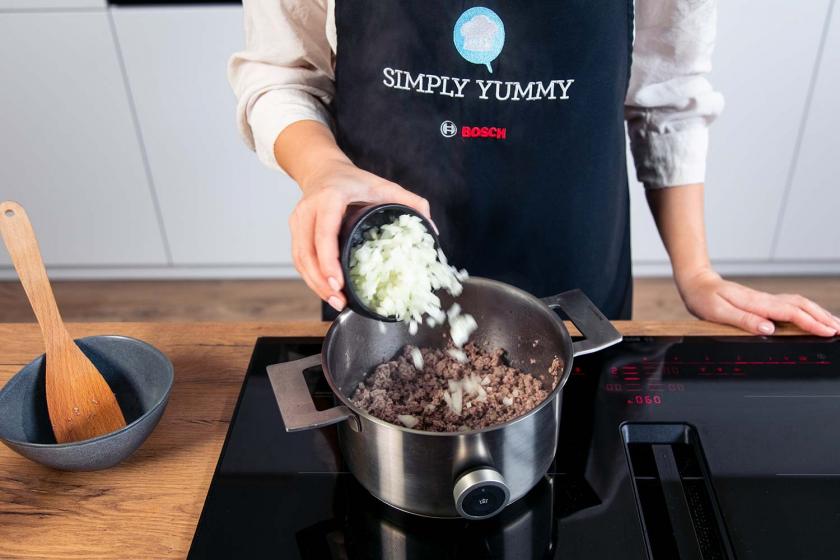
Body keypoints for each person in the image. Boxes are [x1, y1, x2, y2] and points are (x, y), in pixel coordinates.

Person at [228, 0, 839, 336]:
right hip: (381, 260)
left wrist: (698, 274)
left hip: (574, 269)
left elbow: (667, 95)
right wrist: (324, 170)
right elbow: (282, 72)